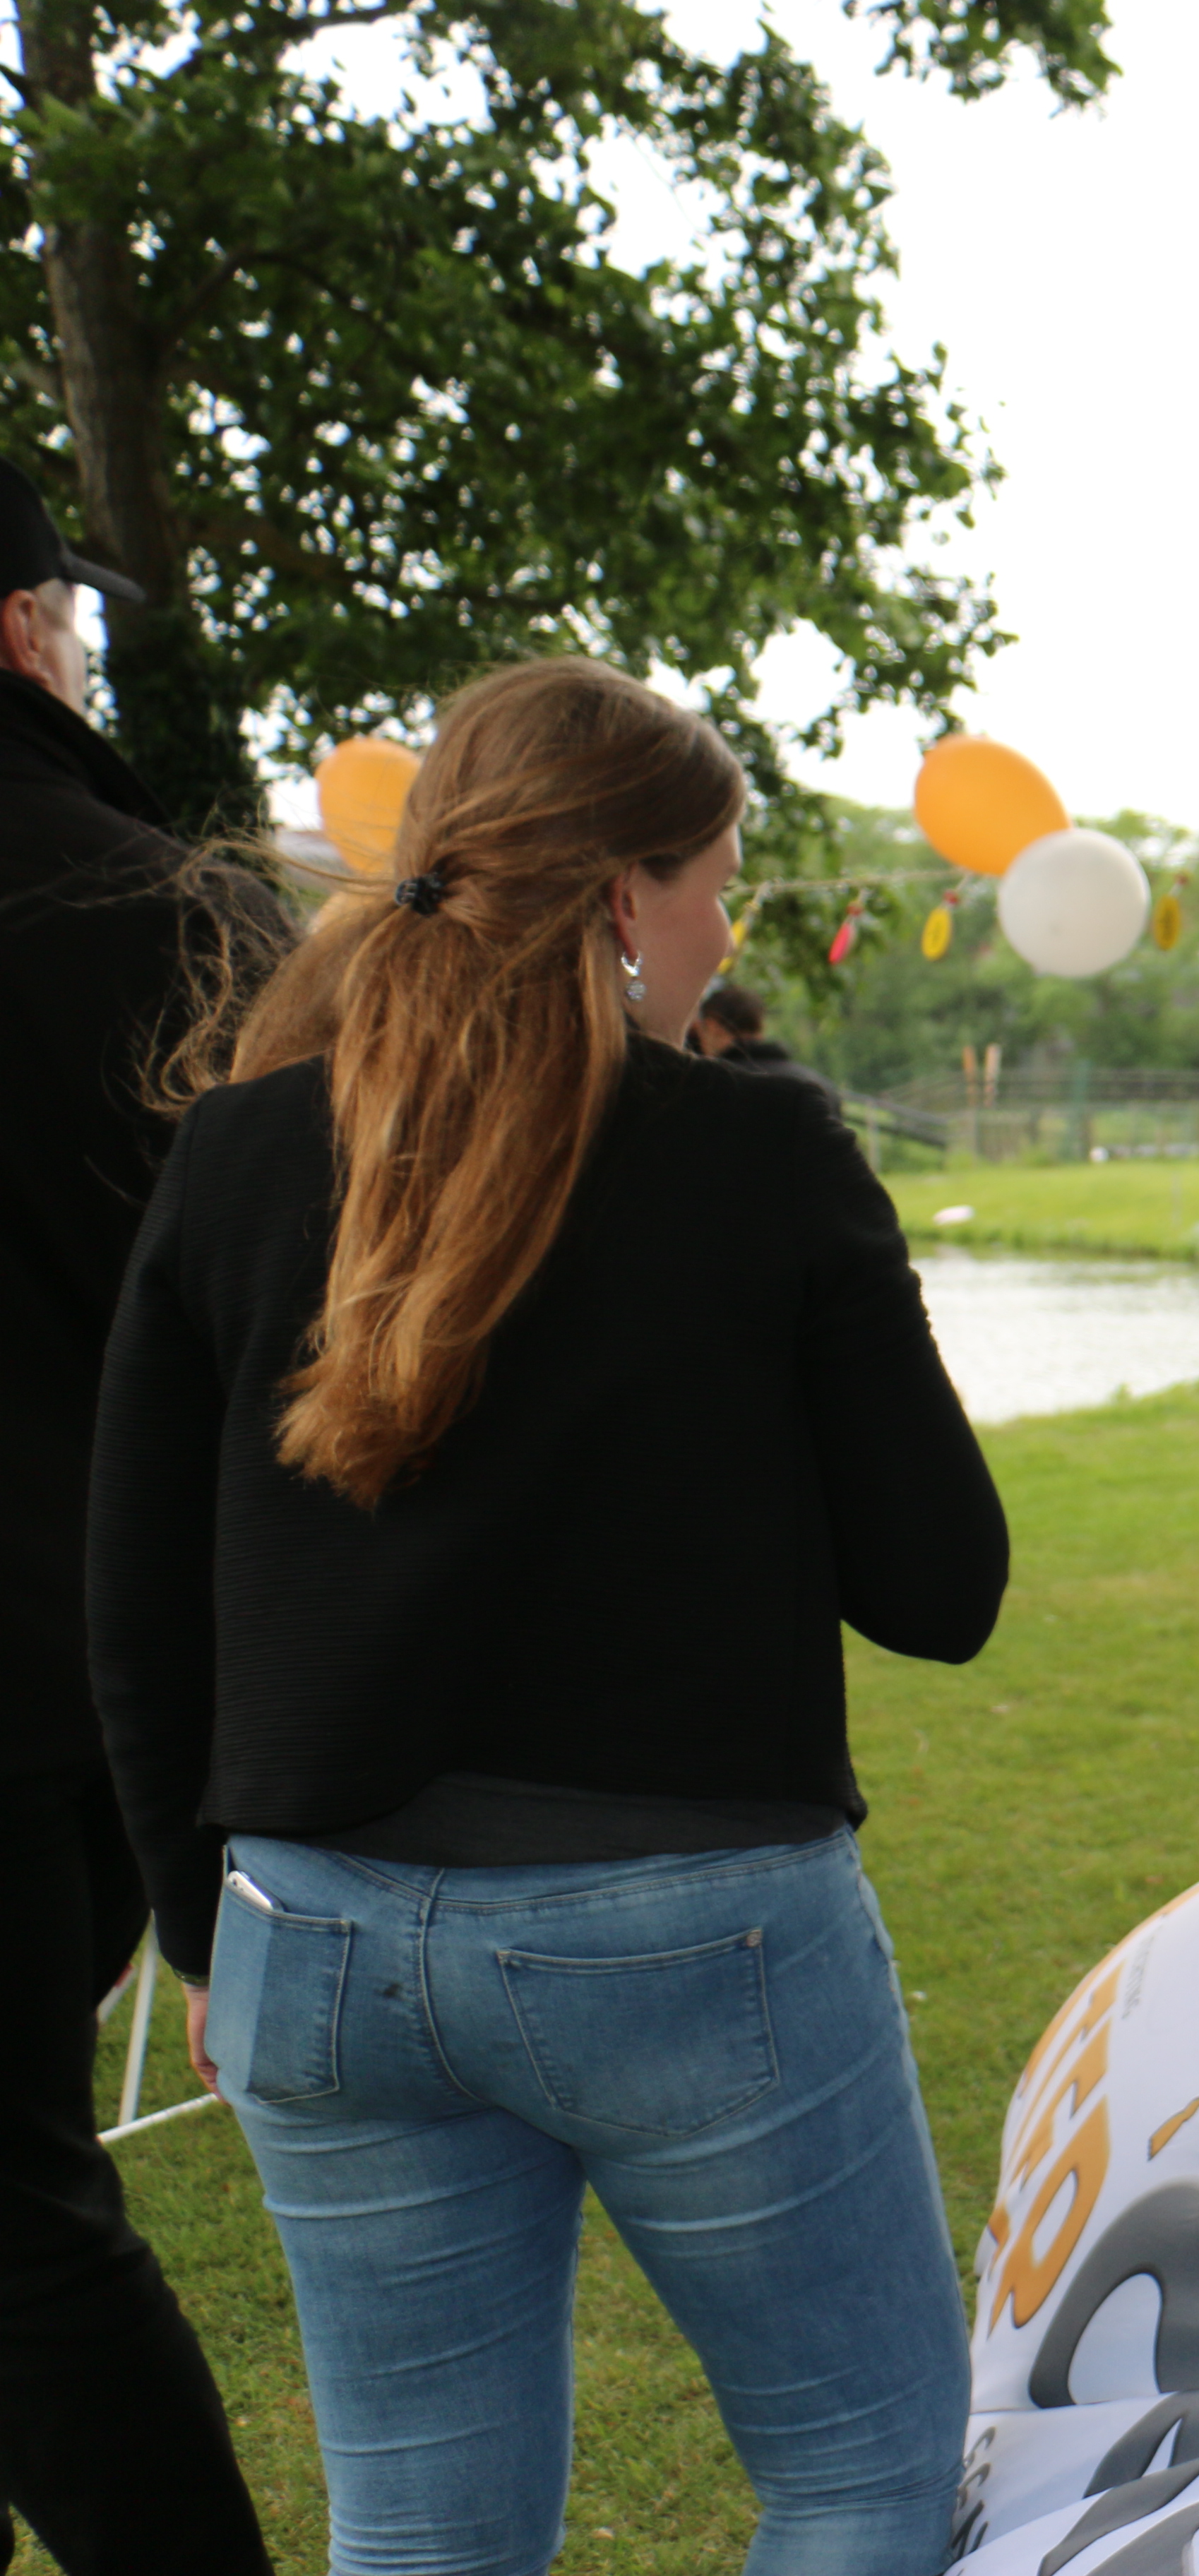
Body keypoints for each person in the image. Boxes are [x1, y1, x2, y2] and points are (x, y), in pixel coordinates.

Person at [88, 655, 1009, 2573]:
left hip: (316, 1943)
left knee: (420, 2527)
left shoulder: (243, 1152)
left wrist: (201, 1931)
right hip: (694, 1936)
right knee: (862, 2479)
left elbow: (139, 1598)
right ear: (616, 898)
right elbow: (944, 1590)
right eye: (715, 881)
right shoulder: (762, 1153)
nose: (724, 926)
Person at [0, 463, 276, 2571]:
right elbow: (277, 1364)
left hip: (59, 1695)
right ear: (23, 631)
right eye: (74, 621)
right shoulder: (164, 914)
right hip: (55, 1695)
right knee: (22, 2227)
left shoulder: (150, 906)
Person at [695, 978, 833, 1092]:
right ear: (761, 1027)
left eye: (700, 1031)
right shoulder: (821, 1086)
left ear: (712, 1026)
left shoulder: (714, 1083)